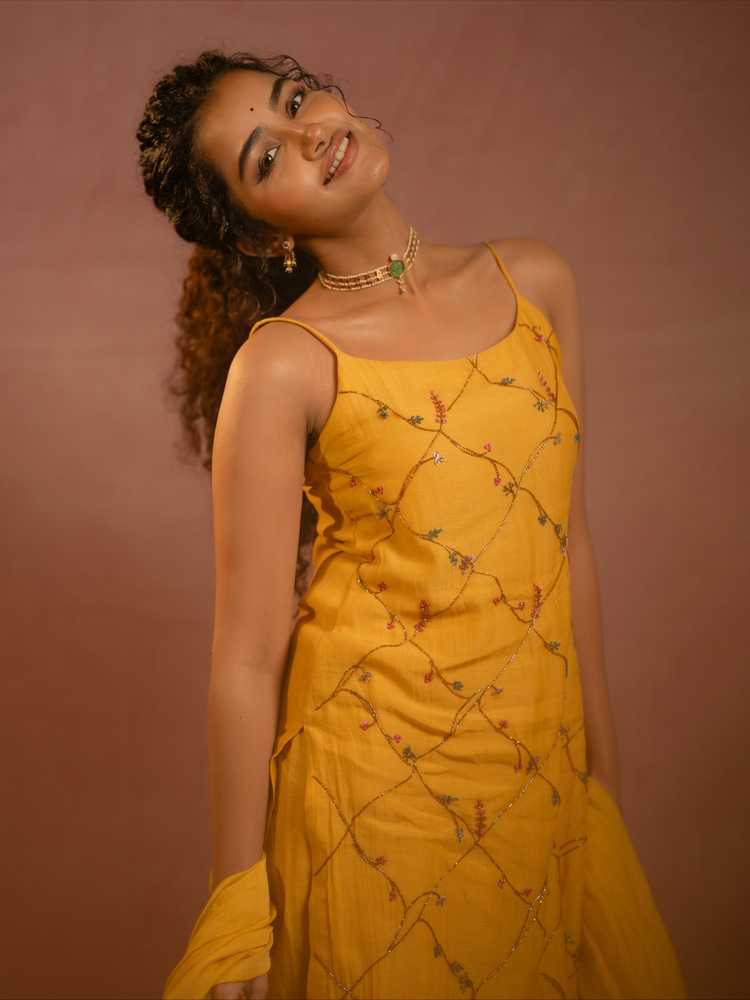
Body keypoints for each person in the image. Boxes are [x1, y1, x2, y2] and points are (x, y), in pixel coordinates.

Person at [137, 49, 687, 1000]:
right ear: (261, 233)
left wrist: (602, 774)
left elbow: (569, 540)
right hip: (372, 797)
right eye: (267, 157)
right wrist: (239, 912)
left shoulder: (536, 282)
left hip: (538, 774)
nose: (310, 135)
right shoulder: (285, 365)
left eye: (297, 100)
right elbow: (248, 658)